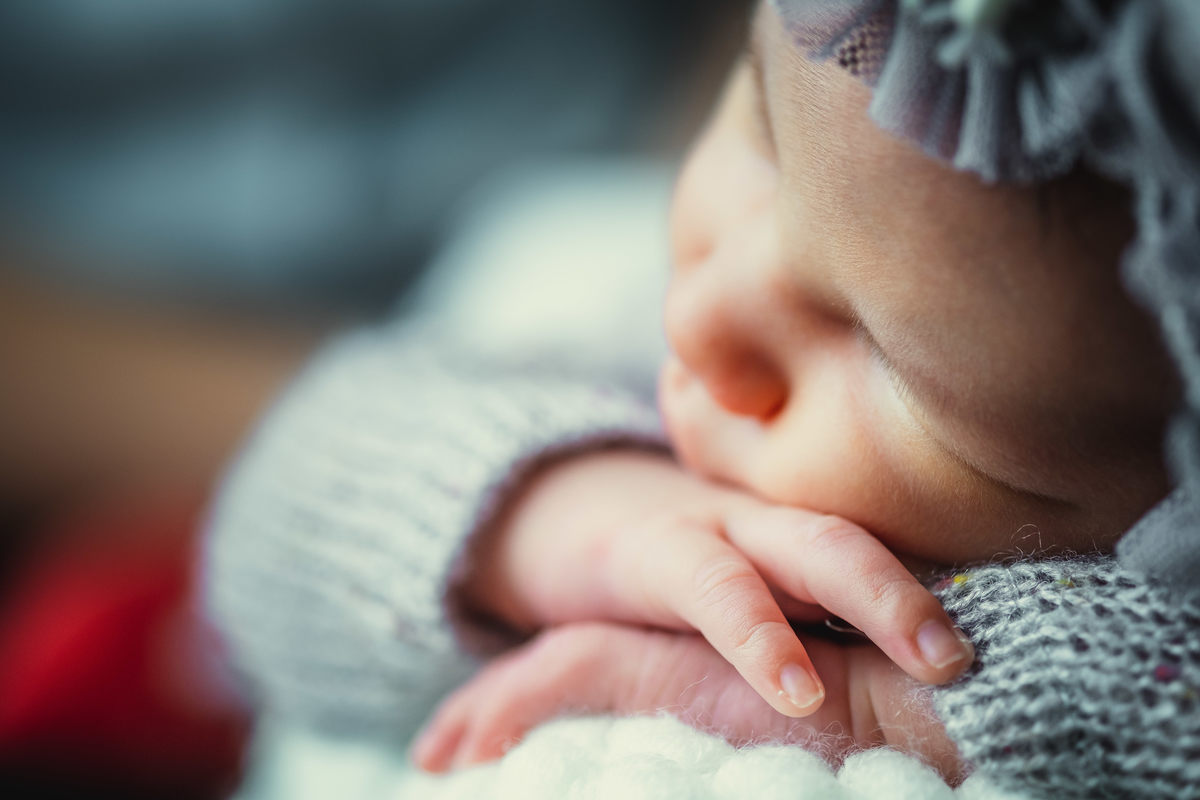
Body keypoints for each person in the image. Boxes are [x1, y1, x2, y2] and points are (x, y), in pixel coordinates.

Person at [204, 0, 1200, 797]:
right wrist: (558, 511)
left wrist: (896, 705)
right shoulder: (605, 280)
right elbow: (269, 525)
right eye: (761, 125)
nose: (707, 313)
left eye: (889, 360)